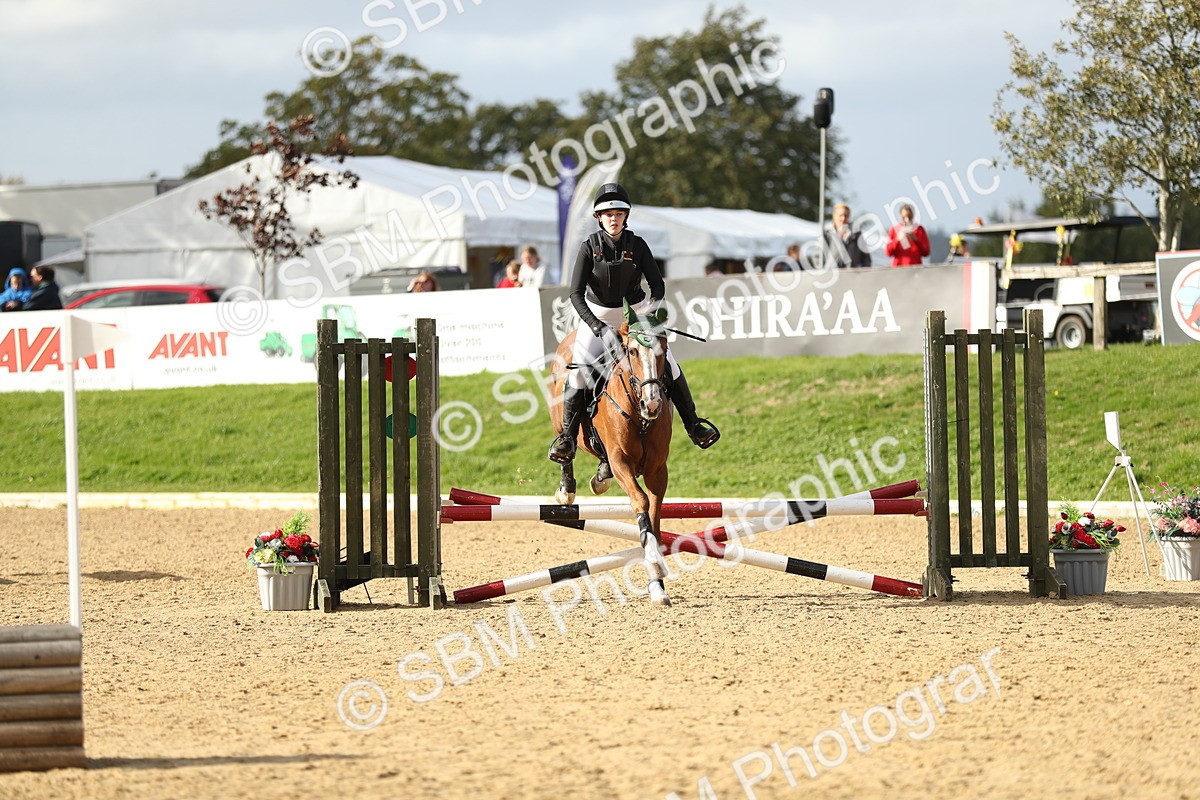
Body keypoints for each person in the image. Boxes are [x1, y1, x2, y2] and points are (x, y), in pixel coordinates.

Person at [548, 182, 719, 464]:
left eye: (618, 213)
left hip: (635, 312)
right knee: (578, 371)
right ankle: (567, 437)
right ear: (599, 218)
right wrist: (596, 325)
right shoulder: (588, 247)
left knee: (670, 364)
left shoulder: (637, 245)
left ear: (625, 217)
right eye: (607, 214)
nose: (613, 219)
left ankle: (693, 424)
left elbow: (657, 285)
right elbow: (575, 294)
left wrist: (648, 315)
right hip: (599, 314)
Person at [825, 203, 871, 268]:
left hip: (852, 274)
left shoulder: (856, 234)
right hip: (832, 275)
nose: (843, 218)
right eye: (840, 215)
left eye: (846, 215)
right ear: (834, 216)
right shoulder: (827, 234)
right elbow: (819, 257)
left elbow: (866, 257)